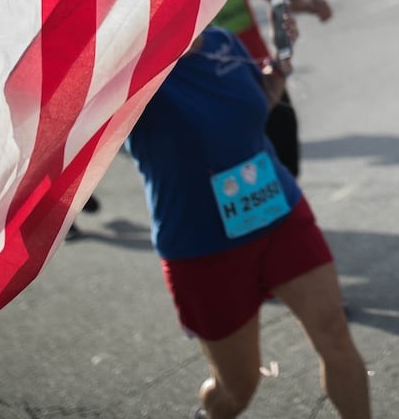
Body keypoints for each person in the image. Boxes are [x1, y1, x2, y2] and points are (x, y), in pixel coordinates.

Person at [126, 24, 371, 419]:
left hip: (279, 211)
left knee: (335, 336)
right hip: (202, 246)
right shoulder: (127, 69)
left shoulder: (221, 41)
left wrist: (279, 73)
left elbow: (254, 110)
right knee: (237, 388)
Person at [210, 0, 333, 178]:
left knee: (286, 173)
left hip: (264, 78)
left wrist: (304, 3)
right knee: (245, 193)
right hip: (214, 98)